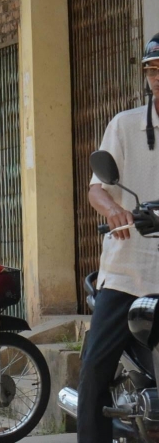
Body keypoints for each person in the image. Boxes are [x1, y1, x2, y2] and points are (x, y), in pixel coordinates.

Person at [77, 34, 159, 442]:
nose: (157, 78)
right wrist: (114, 212)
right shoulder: (125, 126)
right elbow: (97, 188)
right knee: (95, 366)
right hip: (129, 271)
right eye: (153, 70)